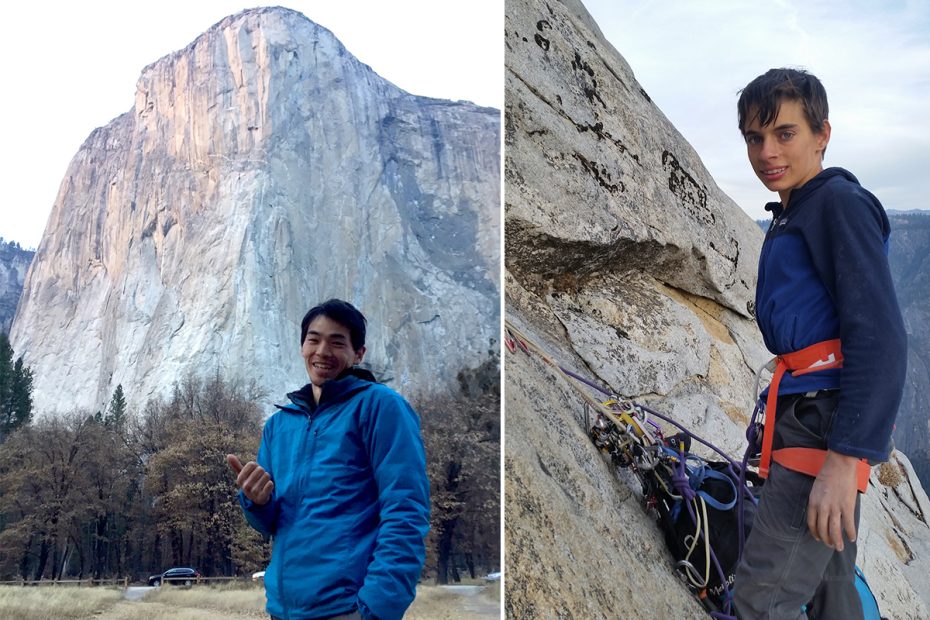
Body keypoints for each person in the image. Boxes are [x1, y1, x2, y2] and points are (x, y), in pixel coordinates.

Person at [732, 68, 907, 618]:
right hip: (808, 411)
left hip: (822, 425)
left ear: (822, 134)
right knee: (832, 587)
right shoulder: (797, 209)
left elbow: (881, 339)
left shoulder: (836, 206)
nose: (767, 152)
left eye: (785, 134)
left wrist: (843, 459)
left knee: (762, 598)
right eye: (754, 138)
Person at [227, 298, 430, 620]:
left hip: (347, 609)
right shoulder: (280, 425)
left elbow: (406, 509)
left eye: (337, 342)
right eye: (314, 339)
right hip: (283, 610)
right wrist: (257, 501)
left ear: (358, 353)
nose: (322, 351)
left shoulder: (380, 407)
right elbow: (268, 526)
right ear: (301, 346)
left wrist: (378, 608)